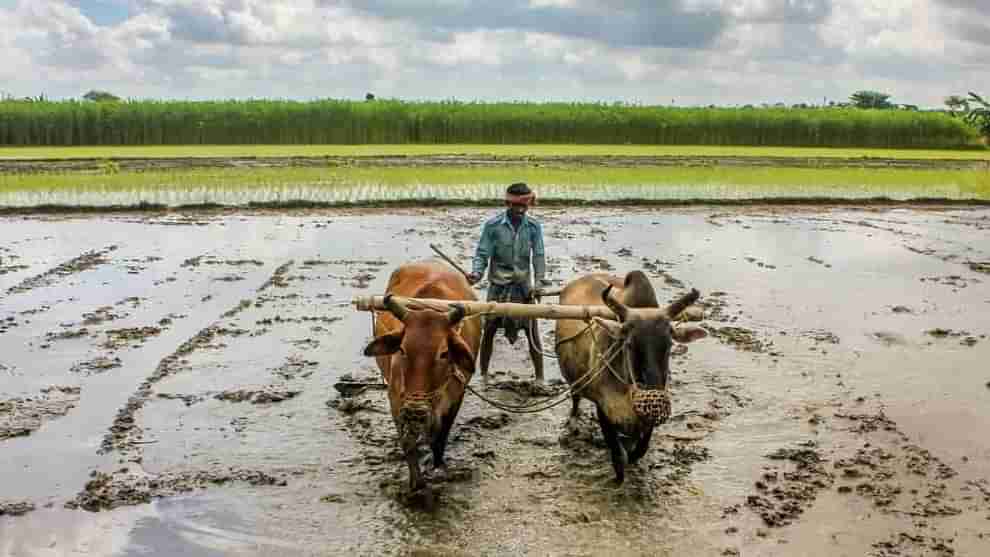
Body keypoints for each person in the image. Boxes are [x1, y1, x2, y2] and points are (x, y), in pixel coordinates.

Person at [467, 182, 551, 383]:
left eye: (525, 205)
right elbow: (482, 253)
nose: (521, 210)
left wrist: (539, 283)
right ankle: (484, 375)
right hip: (498, 286)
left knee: (532, 332)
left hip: (523, 288)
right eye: (517, 206)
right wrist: (477, 273)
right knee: (488, 331)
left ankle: (540, 377)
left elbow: (538, 256)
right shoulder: (493, 226)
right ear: (508, 204)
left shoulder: (533, 227)